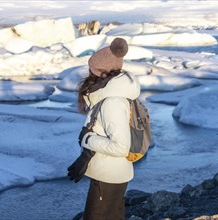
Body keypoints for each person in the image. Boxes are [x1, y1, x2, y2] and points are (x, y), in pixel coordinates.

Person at [67, 38, 141, 220]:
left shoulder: (112, 102)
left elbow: (120, 146)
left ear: (101, 72)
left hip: (109, 177)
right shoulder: (108, 97)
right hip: (109, 175)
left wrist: (88, 139)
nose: (88, 73)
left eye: (92, 69)